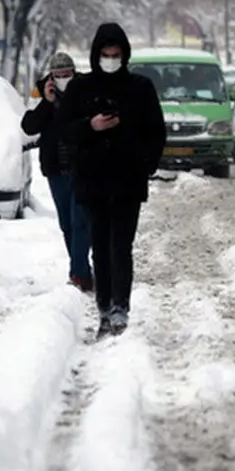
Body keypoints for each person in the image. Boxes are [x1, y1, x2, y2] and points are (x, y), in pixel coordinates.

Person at [57, 23, 166, 337]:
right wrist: (90, 126)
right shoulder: (80, 89)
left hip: (127, 181)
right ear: (96, 55)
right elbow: (64, 130)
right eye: (105, 54)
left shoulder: (140, 88)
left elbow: (156, 131)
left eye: (116, 54)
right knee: (100, 246)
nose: (110, 60)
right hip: (92, 181)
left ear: (124, 55)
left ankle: (120, 307)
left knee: (122, 246)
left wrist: (145, 162)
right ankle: (104, 306)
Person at [21, 52, 93, 292]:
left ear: (73, 72)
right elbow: (29, 126)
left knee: (80, 221)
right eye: (58, 75)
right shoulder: (40, 92)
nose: (63, 78)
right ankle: (82, 270)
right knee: (67, 224)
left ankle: (78, 274)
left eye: (66, 74)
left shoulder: (84, 88)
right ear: (51, 76)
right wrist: (47, 102)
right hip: (55, 169)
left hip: (82, 167)